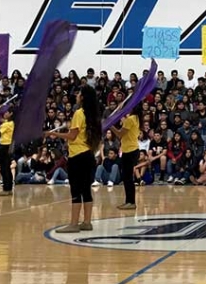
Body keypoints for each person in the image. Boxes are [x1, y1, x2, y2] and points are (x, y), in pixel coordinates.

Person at [46, 85, 102, 234]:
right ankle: (87, 222)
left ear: (82, 97)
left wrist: (54, 134)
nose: (76, 95)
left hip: (78, 156)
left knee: (76, 190)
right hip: (88, 155)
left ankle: (73, 223)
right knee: (86, 190)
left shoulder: (79, 113)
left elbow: (72, 136)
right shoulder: (93, 115)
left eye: (79, 93)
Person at [110, 100, 142, 211]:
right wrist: (120, 112)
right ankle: (129, 201)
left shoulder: (130, 119)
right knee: (127, 177)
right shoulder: (135, 118)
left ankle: (131, 202)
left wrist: (110, 125)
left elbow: (119, 134)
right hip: (131, 150)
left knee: (127, 177)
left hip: (130, 151)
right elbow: (124, 120)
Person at [0, 108, 14, 195]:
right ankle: (8, 188)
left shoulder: (9, 124)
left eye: (7, 112)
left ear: (11, 113)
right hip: (6, 146)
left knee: (4, 167)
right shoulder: (7, 122)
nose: (5, 114)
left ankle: (6, 189)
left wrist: (2, 122)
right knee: (6, 167)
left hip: (5, 146)